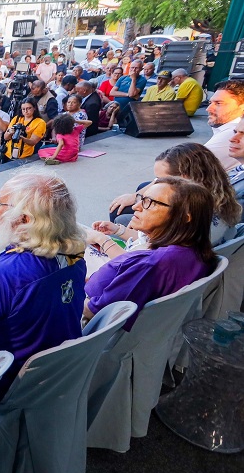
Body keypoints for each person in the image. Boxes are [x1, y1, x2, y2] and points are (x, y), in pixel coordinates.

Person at [0, 172, 87, 402]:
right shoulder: (76, 254)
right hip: (56, 376)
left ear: (24, 220)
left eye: (0, 203)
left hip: (4, 388)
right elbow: (34, 273)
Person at [84, 178, 216, 330]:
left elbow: (96, 312)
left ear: (184, 217)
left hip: (85, 320)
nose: (136, 206)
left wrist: (70, 290)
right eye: (141, 199)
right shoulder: (195, 251)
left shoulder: (150, 264)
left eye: (150, 202)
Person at [99, 143, 241, 251]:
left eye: (161, 180)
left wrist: (102, 241)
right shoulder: (217, 202)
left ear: (184, 179)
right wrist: (119, 230)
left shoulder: (183, 225)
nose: (156, 183)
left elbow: (137, 261)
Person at [203, 79, 244, 171]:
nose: (208, 109)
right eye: (210, 103)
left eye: (218, 103)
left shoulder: (231, 132)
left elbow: (185, 168)